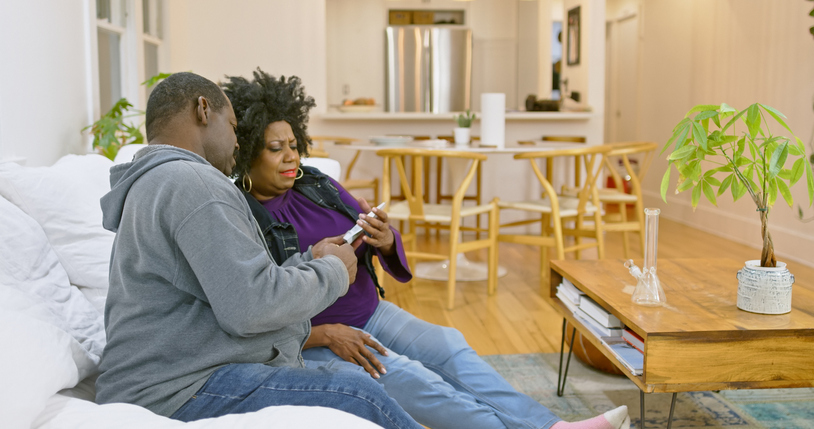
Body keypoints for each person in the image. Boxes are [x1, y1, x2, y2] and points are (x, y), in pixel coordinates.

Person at [223, 68, 631, 429]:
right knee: (414, 379)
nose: (291, 156)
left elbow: (372, 233)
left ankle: (549, 426)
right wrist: (323, 331)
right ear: (245, 151)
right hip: (322, 335)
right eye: (276, 148)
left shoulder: (317, 183)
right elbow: (257, 306)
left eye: (294, 143)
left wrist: (384, 238)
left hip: (373, 311)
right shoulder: (241, 217)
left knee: (450, 346)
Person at [95, 72, 422, 429]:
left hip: (169, 376)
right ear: (203, 110)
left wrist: (312, 260)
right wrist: (333, 271)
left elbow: (233, 284)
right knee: (358, 393)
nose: (237, 143)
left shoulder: (157, 181)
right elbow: (251, 309)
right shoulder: (195, 183)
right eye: (233, 126)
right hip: (176, 390)